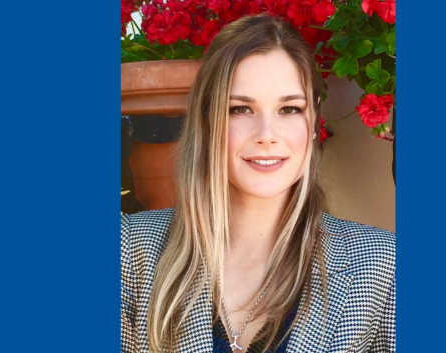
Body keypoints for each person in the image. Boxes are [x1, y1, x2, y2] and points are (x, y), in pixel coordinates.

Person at [121, 13, 395, 353]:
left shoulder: (383, 265)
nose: (267, 135)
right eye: (240, 109)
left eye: (290, 109)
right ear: (206, 121)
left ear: (313, 121)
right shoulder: (129, 251)